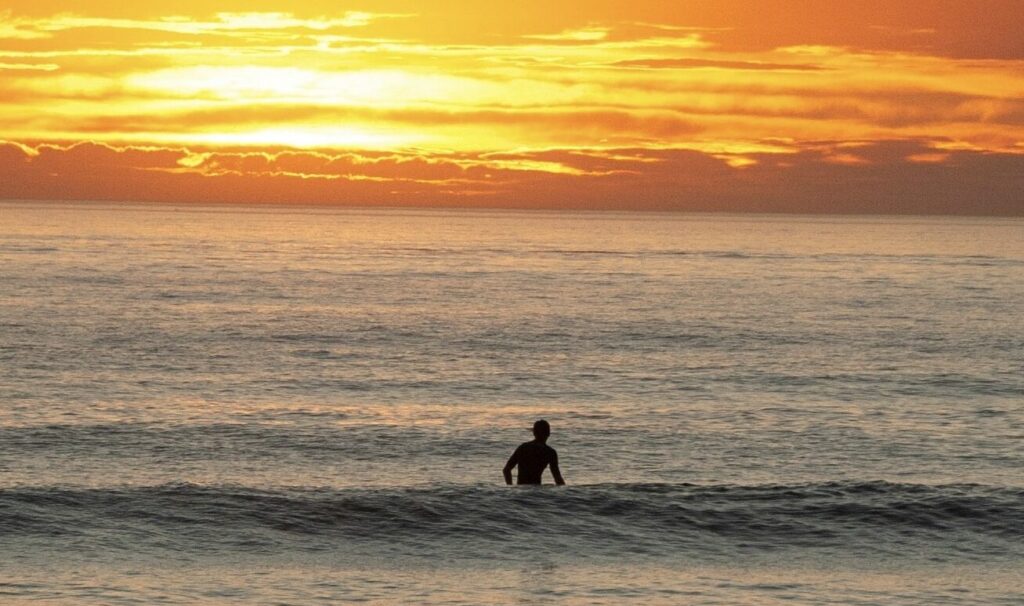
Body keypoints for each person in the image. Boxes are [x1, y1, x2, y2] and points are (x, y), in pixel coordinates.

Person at [503, 419, 565, 485]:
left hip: (521, 490)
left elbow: (506, 470)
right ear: (548, 434)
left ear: (534, 433)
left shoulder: (523, 447)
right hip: (536, 492)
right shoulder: (550, 452)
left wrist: (510, 488)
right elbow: (557, 478)